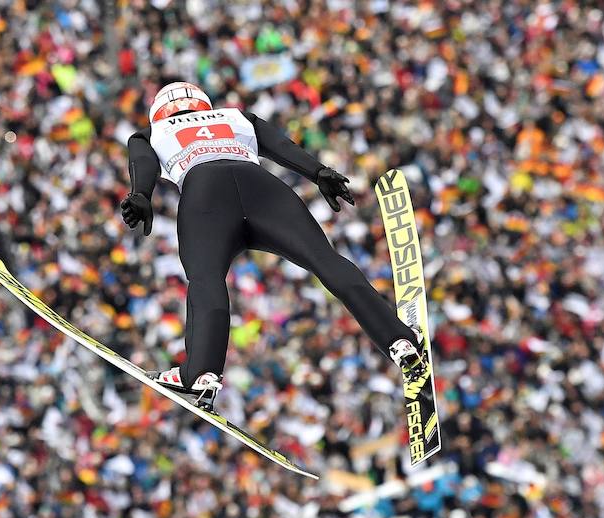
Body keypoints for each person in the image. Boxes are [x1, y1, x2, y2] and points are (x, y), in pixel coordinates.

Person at [121, 82, 426, 409]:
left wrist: (141, 194)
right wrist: (318, 172)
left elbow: (144, 162)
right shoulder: (237, 116)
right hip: (262, 189)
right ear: (204, 105)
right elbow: (280, 145)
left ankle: (201, 373)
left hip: (205, 193)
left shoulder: (151, 132)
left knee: (206, 280)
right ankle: (399, 340)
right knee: (325, 260)